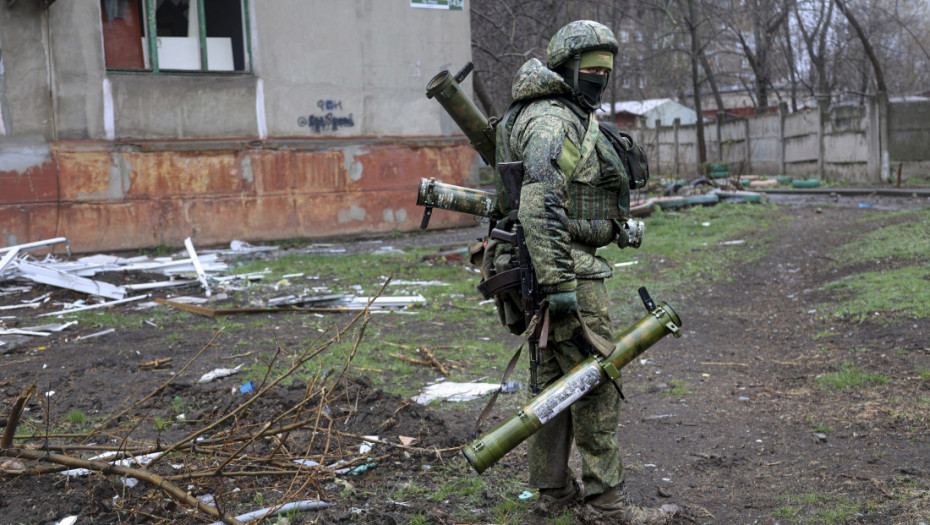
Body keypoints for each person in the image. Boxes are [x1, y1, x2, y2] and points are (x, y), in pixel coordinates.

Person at [494, 20, 678, 524]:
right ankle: (606, 505)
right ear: (566, 67)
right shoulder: (555, 119)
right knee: (595, 383)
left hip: (543, 266)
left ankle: (551, 494)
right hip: (565, 273)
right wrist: (559, 285)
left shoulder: (547, 111)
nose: (600, 78)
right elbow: (539, 202)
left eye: (606, 71)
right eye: (592, 69)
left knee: (553, 384)